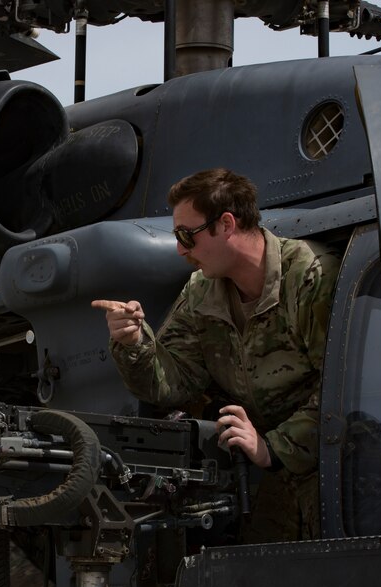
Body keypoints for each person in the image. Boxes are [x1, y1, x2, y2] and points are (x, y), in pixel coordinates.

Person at [92, 168, 340, 542]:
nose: (180, 249)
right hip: (270, 480)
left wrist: (272, 446)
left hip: (338, 470)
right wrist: (134, 344)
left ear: (226, 224)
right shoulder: (202, 293)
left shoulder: (309, 277)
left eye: (186, 235)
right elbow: (169, 383)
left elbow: (347, 388)